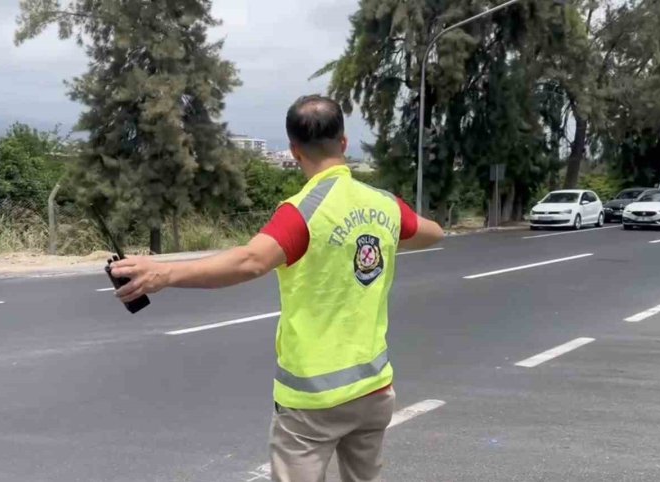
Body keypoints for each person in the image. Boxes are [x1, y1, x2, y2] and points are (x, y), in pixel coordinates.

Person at [110, 94, 445, 482]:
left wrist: (164, 273)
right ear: (343, 143)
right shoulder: (384, 204)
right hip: (373, 389)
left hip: (313, 400)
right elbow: (433, 232)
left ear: (294, 150)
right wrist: (379, 234)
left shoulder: (303, 212)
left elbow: (250, 261)